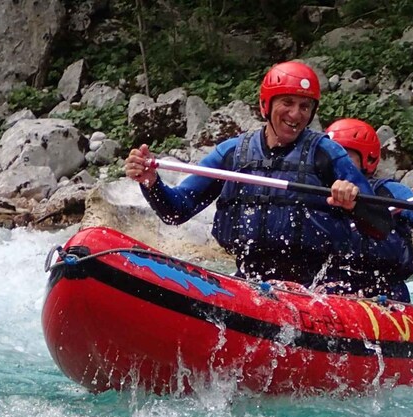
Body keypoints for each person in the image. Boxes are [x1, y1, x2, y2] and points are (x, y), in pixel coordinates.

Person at [124, 61, 387, 286]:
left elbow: (381, 225)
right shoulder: (232, 154)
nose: (296, 114)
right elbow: (176, 211)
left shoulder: (327, 154)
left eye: (305, 107)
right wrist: (151, 183)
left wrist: (354, 204)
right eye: (287, 102)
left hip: (316, 285)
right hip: (249, 280)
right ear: (266, 105)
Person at [320, 118, 413, 302]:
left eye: (344, 156)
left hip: (386, 293)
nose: (336, 162)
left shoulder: (389, 191)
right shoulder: (320, 194)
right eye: (331, 155)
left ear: (368, 158)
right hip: (333, 291)